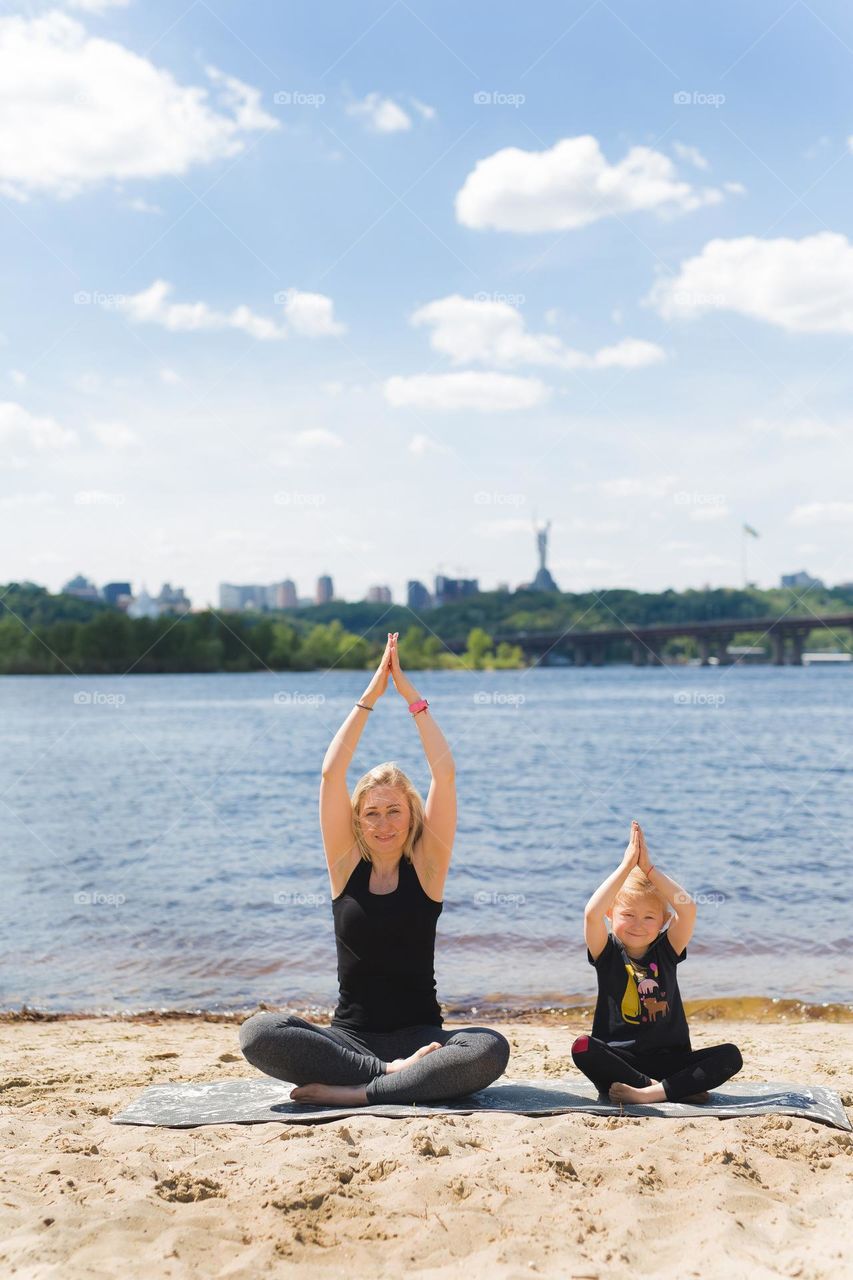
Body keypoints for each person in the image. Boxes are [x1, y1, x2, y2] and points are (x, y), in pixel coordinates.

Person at [239, 632, 510, 1105]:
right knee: (259, 1032)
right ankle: (387, 1077)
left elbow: (443, 772)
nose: (384, 824)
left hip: (422, 1038)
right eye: (372, 813)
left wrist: (411, 699)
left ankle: (357, 1094)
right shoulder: (345, 867)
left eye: (394, 811)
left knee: (488, 1049)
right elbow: (330, 774)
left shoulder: (427, 868)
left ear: (412, 815)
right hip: (350, 1041)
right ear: (358, 821)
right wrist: (369, 697)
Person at [572, 820, 743, 1105]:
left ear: (663, 921)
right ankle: (661, 1089)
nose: (638, 925)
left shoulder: (667, 949)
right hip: (621, 1063)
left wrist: (649, 868)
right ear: (611, 914)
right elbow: (591, 913)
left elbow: (687, 908)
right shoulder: (607, 952)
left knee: (731, 1055)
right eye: (628, 915)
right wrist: (627, 866)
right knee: (582, 1047)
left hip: (672, 1060)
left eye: (649, 917)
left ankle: (653, 1093)